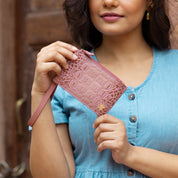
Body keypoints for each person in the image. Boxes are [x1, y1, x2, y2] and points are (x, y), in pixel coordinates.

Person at [29, 0, 178, 177]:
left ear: (150, 3)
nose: (109, 2)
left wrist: (131, 154)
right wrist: (39, 93)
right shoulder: (66, 74)